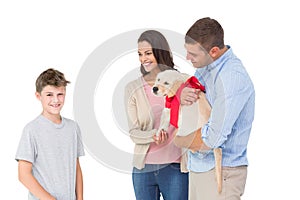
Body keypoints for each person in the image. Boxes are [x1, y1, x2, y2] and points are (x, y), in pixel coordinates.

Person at [175, 17, 255, 200]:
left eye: (193, 54)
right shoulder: (206, 67)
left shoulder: (231, 78)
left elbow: (213, 138)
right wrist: (182, 93)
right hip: (199, 168)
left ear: (214, 51)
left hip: (221, 171)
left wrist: (178, 141)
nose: (187, 58)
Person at [124, 30, 189, 200]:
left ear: (159, 52)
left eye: (147, 53)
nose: (143, 58)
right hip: (143, 169)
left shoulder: (182, 82)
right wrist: (153, 135)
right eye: (139, 54)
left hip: (175, 167)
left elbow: (193, 119)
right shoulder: (132, 89)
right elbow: (133, 131)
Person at [15, 68, 85, 200]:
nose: (55, 100)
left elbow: (76, 167)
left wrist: (80, 198)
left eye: (60, 94)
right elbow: (23, 174)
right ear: (38, 96)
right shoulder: (32, 130)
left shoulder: (73, 128)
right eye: (49, 95)